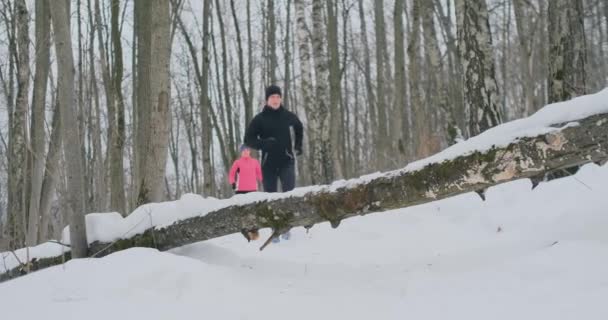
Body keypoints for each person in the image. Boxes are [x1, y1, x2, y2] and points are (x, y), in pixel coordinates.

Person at [244, 85, 303, 242]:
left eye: (278, 97)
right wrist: (264, 144)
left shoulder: (287, 115)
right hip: (268, 164)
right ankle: (275, 229)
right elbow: (248, 139)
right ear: (267, 100)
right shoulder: (260, 119)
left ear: (281, 98)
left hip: (286, 161)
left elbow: (299, 127)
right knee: (271, 199)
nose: (275, 100)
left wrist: (298, 146)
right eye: (272, 97)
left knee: (288, 195)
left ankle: (287, 227)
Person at [228, 144, 263, 241]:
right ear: (241, 152)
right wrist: (233, 183)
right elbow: (231, 174)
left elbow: (260, 174)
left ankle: (254, 231)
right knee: (243, 211)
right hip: (240, 190)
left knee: (252, 211)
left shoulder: (255, 162)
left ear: (250, 151)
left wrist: (264, 179)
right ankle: (244, 229)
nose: (245, 151)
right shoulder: (237, 162)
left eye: (247, 150)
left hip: (253, 190)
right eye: (243, 150)